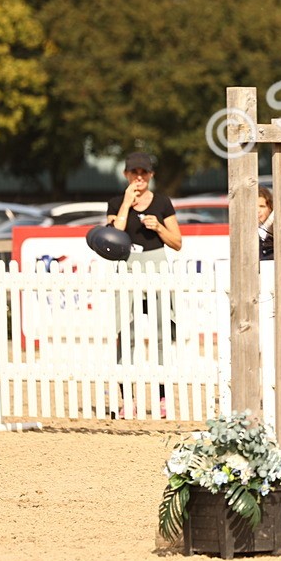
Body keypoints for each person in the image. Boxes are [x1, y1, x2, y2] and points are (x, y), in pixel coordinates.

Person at [105, 152, 181, 417]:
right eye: (134, 172)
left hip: (157, 265)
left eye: (144, 172)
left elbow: (177, 243)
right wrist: (126, 203)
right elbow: (114, 235)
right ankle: (128, 399)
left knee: (161, 335)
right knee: (126, 335)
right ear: (126, 174)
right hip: (127, 266)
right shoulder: (115, 202)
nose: (139, 177)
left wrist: (159, 227)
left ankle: (162, 397)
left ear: (151, 175)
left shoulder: (162, 202)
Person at [257, 185, 275, 260]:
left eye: (262, 206)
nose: (258, 211)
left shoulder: (276, 232)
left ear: (270, 208)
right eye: (253, 206)